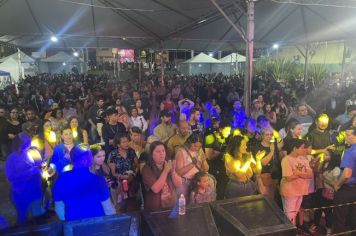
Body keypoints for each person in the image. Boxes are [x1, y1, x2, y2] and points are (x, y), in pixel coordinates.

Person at [53, 144, 115, 221]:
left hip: (74, 227)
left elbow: (59, 210)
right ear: (89, 159)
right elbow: (109, 210)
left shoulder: (61, 179)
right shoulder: (98, 180)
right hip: (97, 225)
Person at [5, 133, 46, 225]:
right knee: (23, 217)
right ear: (19, 144)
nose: (28, 146)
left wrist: (42, 167)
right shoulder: (12, 158)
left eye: (29, 143)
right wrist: (29, 172)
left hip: (35, 190)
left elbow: (40, 164)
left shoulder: (32, 152)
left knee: (37, 214)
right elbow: (10, 176)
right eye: (26, 144)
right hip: (21, 192)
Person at [141, 141, 182, 211]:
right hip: (156, 208)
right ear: (152, 154)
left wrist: (173, 171)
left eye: (163, 151)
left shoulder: (168, 163)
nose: (161, 154)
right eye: (158, 151)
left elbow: (178, 184)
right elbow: (156, 189)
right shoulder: (147, 169)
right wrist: (165, 171)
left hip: (172, 205)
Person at [280, 139, 313, 225]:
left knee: (295, 213)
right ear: (294, 148)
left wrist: (298, 173)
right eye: (302, 148)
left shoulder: (303, 158)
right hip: (290, 191)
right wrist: (303, 174)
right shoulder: (286, 160)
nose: (304, 150)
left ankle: (293, 230)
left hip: (300, 190)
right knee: (290, 214)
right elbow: (288, 178)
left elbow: (310, 175)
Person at [333, 126, 356, 235]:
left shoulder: (350, 151)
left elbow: (347, 174)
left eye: (348, 135)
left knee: (339, 219)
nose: (345, 137)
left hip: (347, 190)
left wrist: (337, 184)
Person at [108, 133, 139, 212]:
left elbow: (137, 165)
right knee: (120, 186)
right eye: (124, 142)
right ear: (118, 144)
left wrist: (133, 173)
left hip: (131, 176)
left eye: (127, 141)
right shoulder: (113, 155)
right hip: (119, 178)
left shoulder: (131, 151)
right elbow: (113, 173)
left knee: (134, 185)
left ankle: (134, 208)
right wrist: (123, 176)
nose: (127, 143)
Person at [175, 134, 209, 198]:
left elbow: (206, 169)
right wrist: (192, 164)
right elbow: (179, 172)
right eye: (195, 146)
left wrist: (204, 161)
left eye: (199, 146)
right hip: (185, 183)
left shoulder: (200, 150)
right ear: (189, 142)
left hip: (198, 183)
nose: (197, 148)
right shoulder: (181, 152)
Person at [251, 127, 277, 198]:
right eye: (267, 134)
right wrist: (272, 152)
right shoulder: (258, 146)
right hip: (263, 176)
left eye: (271, 134)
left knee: (272, 198)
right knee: (264, 198)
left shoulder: (274, 145)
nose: (269, 136)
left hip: (273, 176)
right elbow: (263, 162)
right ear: (262, 136)